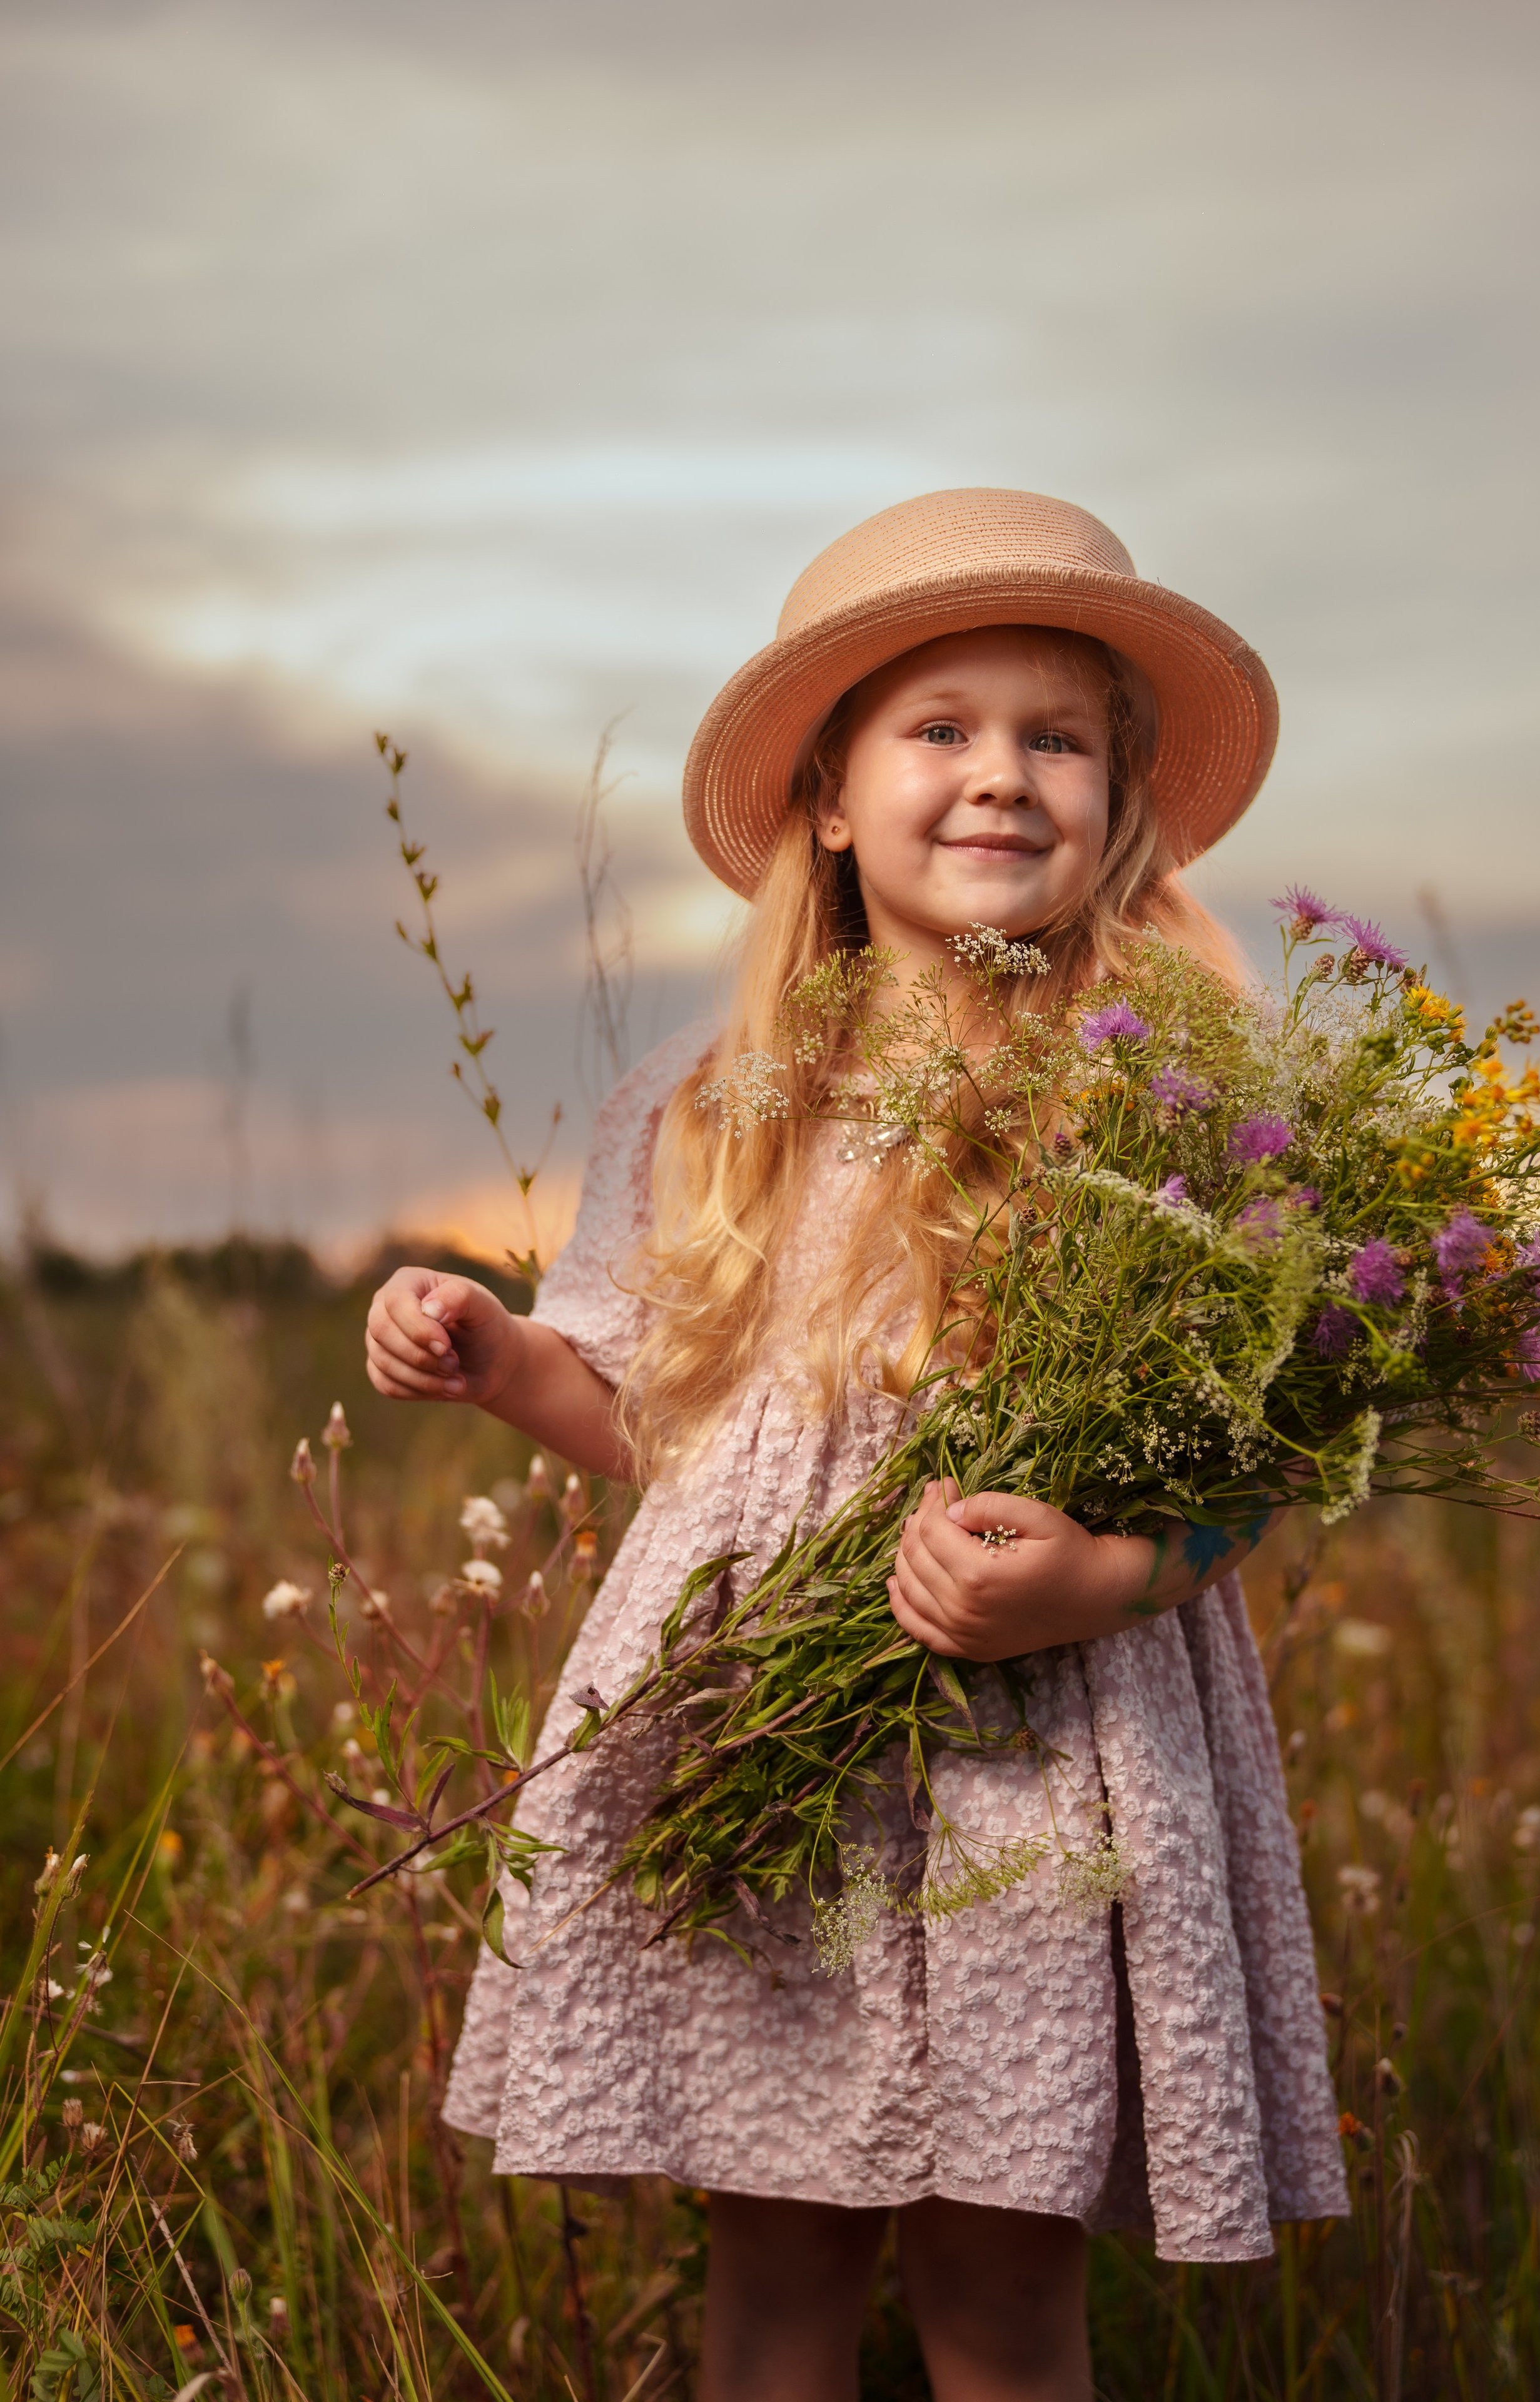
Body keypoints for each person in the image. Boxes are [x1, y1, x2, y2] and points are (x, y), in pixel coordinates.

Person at [365, 490, 1347, 2400]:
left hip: (1049, 1749)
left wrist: (1113, 1573)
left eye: (1056, 737)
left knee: (1004, 2292)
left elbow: (1267, 1457)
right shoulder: (711, 1103)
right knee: (779, 2272)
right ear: (826, 796)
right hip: (771, 1732)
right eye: (942, 729)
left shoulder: (1174, 1097)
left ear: (1119, 801)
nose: (1002, 777)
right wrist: (497, 1358)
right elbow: (653, 1421)